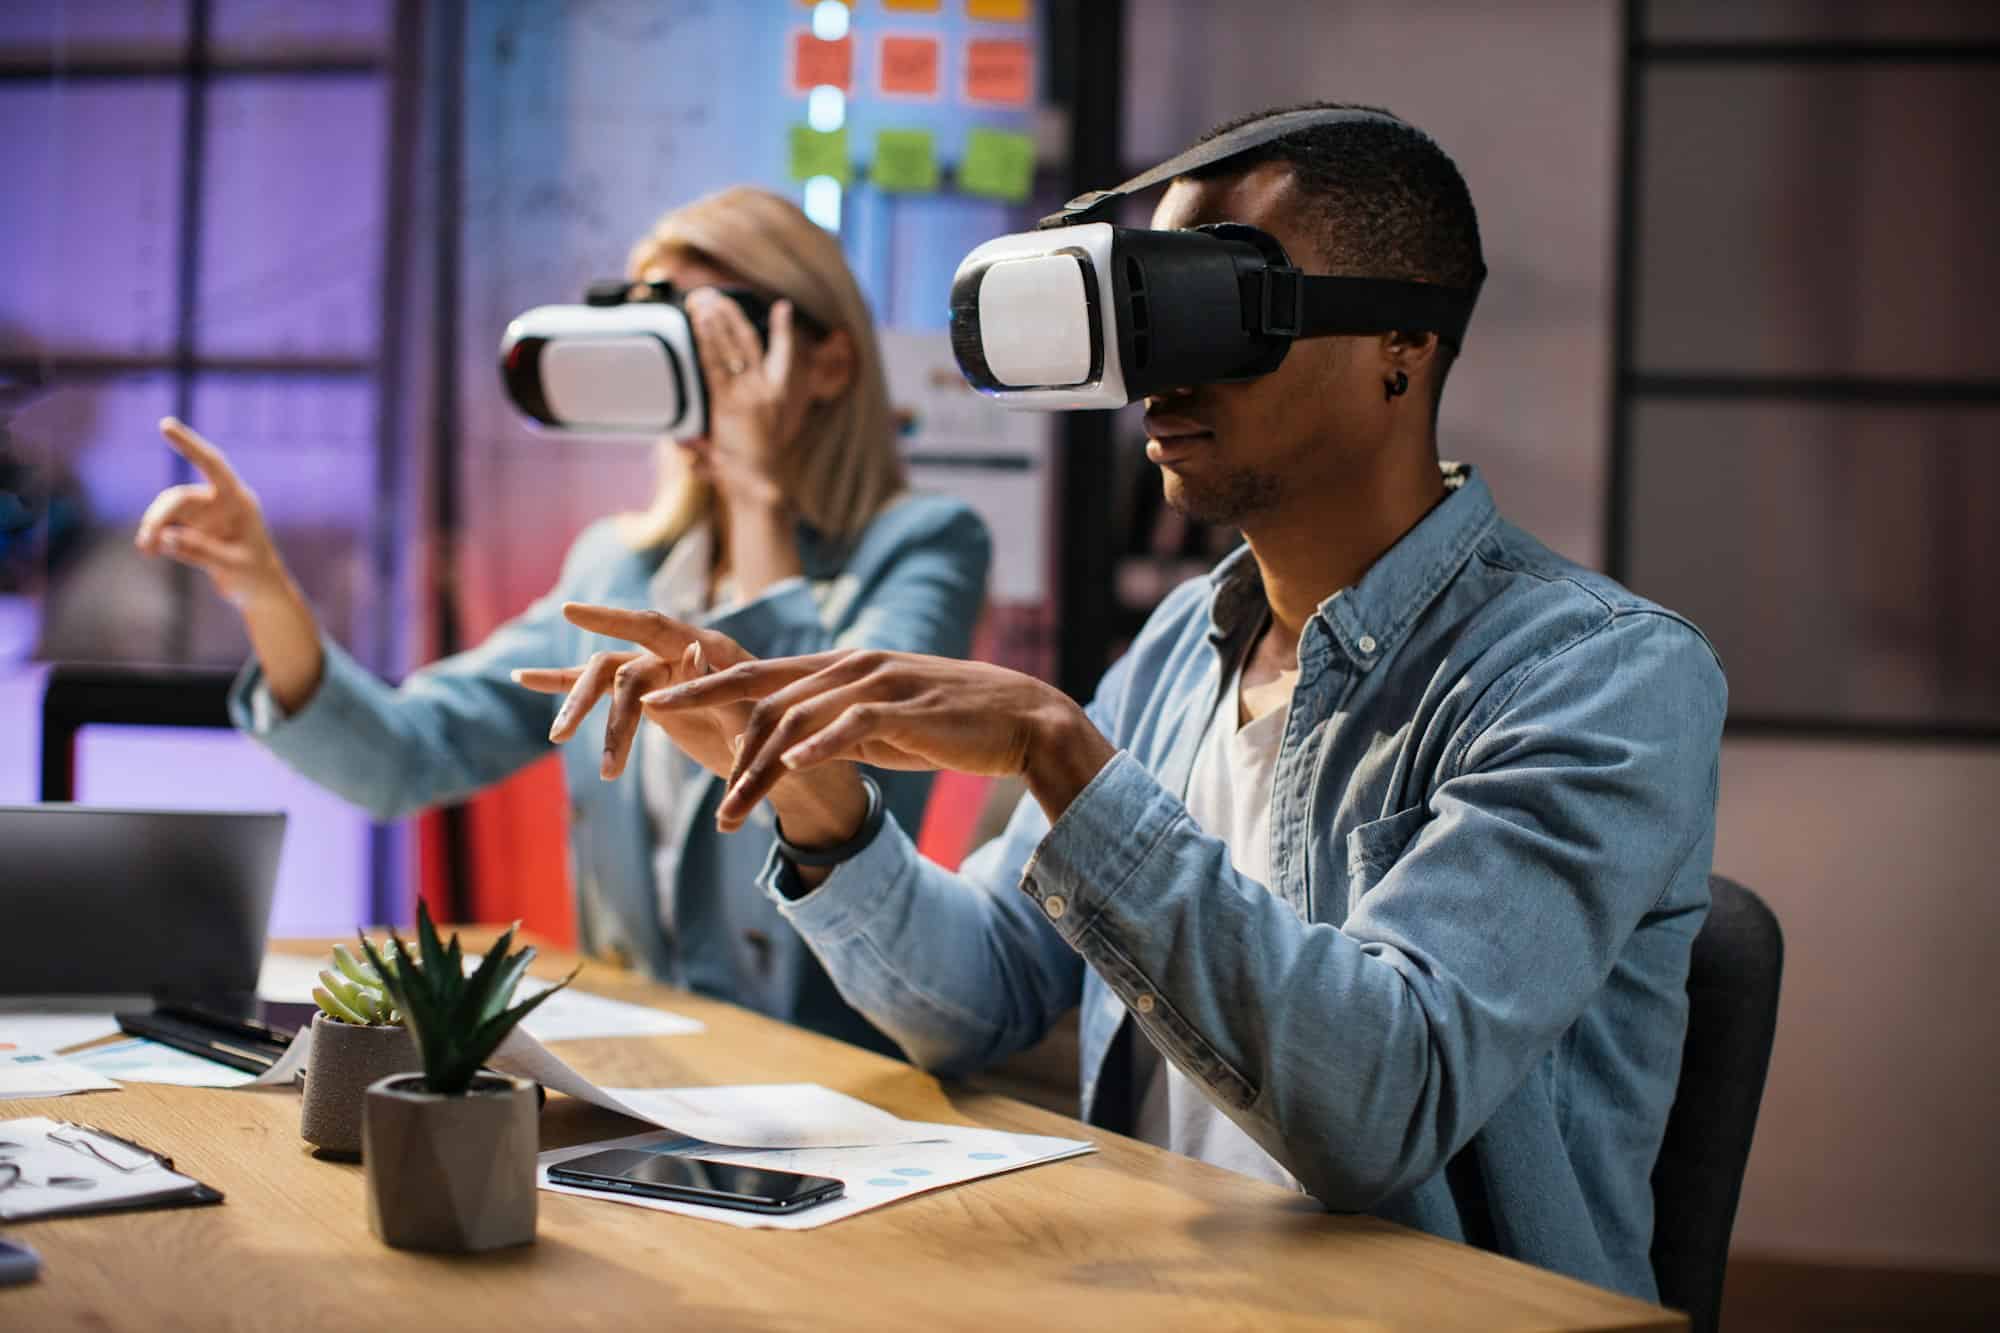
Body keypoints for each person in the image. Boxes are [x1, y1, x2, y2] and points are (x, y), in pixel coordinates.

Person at [536, 106, 1725, 1300]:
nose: (1157, 377)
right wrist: (823, 811)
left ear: (1400, 342)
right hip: (1160, 1287)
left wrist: (1057, 753)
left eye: (1210, 305)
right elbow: (982, 996)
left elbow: (1383, 1104)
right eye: (1140, 316)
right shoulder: (1180, 644)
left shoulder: (1597, 675)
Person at [134, 185, 992, 1055]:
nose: (690, 374)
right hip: (643, 1061)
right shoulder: (617, 571)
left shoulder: (924, 546)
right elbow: (403, 755)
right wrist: (266, 592)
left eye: (718, 338)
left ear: (830, 363)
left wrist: (758, 494)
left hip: (838, 1072)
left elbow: (821, 766)